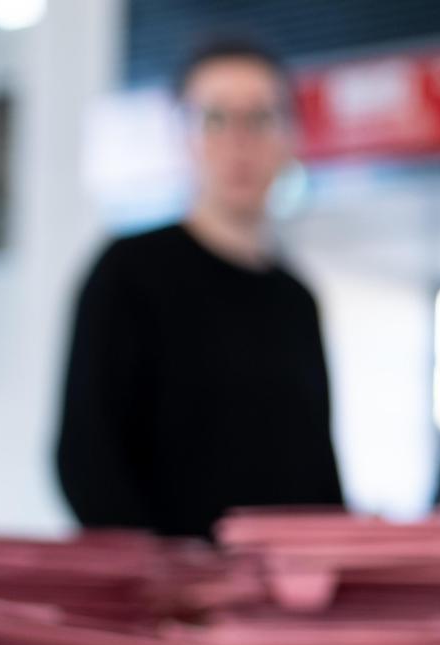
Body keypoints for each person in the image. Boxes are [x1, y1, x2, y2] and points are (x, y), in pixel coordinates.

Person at [55, 38, 343, 540]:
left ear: (291, 137)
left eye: (259, 119)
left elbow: (319, 467)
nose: (238, 142)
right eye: (214, 118)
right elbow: (86, 458)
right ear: (182, 137)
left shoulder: (297, 301)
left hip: (286, 601)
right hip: (166, 602)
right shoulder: (128, 272)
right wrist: (163, 582)